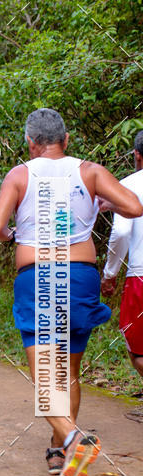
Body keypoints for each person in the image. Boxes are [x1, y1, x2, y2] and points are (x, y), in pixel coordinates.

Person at [0, 108, 143, 476]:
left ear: (30, 142)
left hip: (38, 276)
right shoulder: (90, 171)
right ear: (66, 140)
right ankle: (59, 451)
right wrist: (102, 204)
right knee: (68, 372)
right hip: (79, 278)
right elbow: (134, 207)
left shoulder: (19, 175)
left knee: (46, 375)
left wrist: (14, 235)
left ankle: (73, 439)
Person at [101, 130, 143, 421]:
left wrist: (110, 274)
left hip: (140, 275)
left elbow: (122, 232)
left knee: (137, 347)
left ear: (137, 155)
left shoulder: (127, 185)